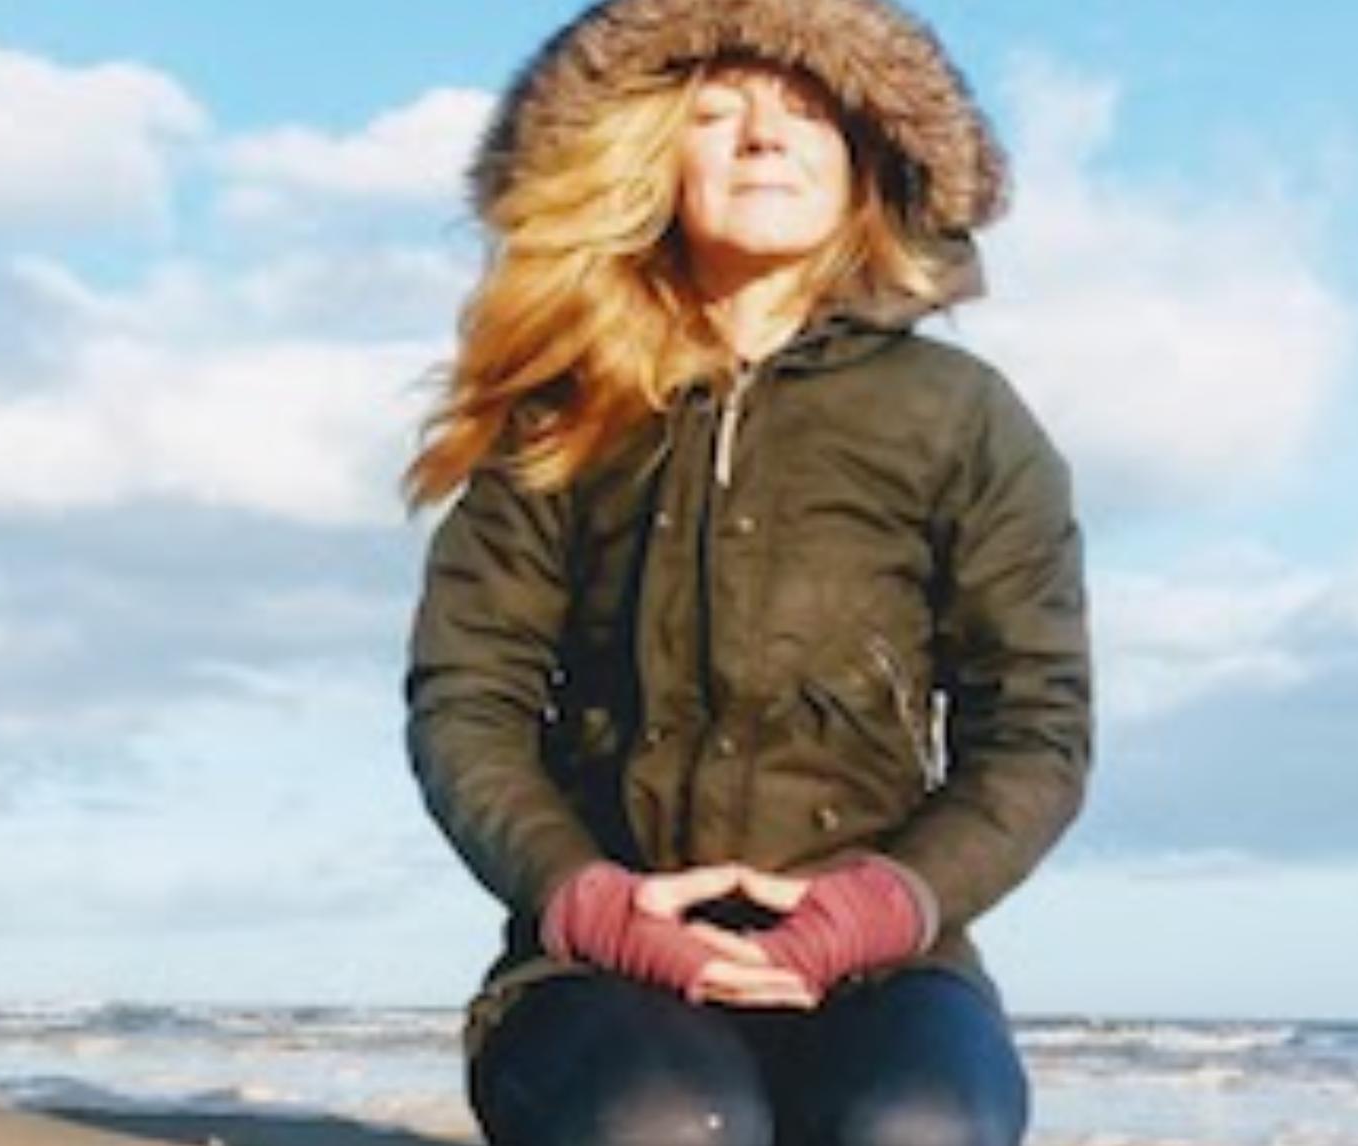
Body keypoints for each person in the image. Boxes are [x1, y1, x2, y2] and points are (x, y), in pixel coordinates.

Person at [404, 1, 1093, 1142]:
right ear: (649, 154)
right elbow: (467, 700)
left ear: (867, 162)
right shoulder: (561, 415)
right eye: (715, 113)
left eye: (807, 112)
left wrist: (877, 908)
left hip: (885, 965)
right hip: (597, 971)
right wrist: (589, 900)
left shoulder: (963, 418)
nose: (763, 137)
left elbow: (1036, 728)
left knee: (913, 1128)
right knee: (676, 1125)